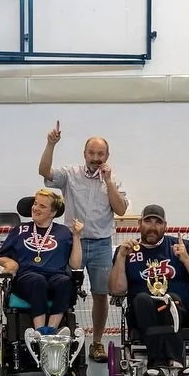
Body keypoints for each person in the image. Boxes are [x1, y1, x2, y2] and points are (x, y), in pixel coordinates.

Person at [38, 122, 129, 363]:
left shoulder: (114, 181)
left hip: (101, 244)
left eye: (101, 154)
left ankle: (97, 342)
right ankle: (59, 339)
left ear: (107, 156)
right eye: (92, 153)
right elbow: (44, 172)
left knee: (100, 294)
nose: (96, 158)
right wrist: (51, 144)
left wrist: (108, 182)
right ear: (85, 154)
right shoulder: (70, 174)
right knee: (62, 290)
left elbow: (120, 210)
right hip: (72, 243)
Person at [109, 204, 189, 376]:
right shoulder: (127, 251)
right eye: (148, 221)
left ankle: (165, 363)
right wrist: (120, 257)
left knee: (170, 299)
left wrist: (186, 258)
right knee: (142, 299)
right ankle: (166, 361)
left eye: (158, 222)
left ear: (165, 226)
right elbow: (116, 290)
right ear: (139, 224)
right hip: (142, 314)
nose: (153, 227)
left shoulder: (182, 247)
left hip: (179, 312)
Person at [0, 189, 83, 335]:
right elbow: (0, 256)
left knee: (65, 281)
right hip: (27, 279)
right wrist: (11, 264)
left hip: (55, 278)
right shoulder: (20, 230)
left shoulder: (63, 232)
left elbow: (75, 265)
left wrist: (76, 236)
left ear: (53, 212)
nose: (35, 208)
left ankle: (52, 331)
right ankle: (39, 331)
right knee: (37, 280)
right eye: (35, 204)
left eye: (42, 206)